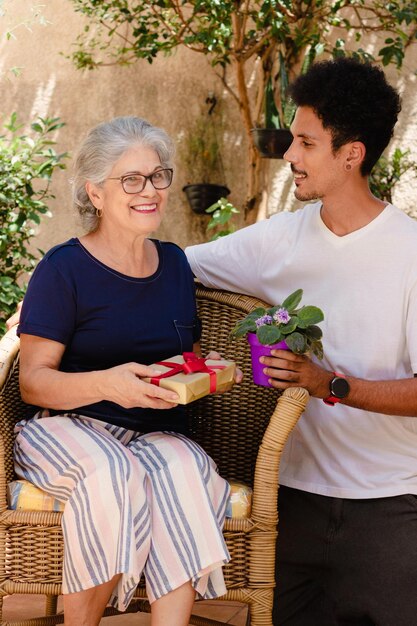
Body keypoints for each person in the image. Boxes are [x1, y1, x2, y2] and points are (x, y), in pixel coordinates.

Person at [185, 57, 417, 625]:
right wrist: (62, 286)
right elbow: (170, 268)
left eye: (306, 142)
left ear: (351, 153)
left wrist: (328, 384)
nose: (289, 155)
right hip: (289, 505)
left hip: (391, 509)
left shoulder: (411, 254)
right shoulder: (279, 239)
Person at [14, 116, 233, 626]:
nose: (149, 190)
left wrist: (210, 369)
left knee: (184, 471)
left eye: (158, 176)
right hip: (72, 426)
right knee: (113, 473)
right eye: (130, 179)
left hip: (156, 429)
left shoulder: (176, 264)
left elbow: (187, 353)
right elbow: (33, 380)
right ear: (95, 192)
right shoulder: (63, 268)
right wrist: (109, 384)